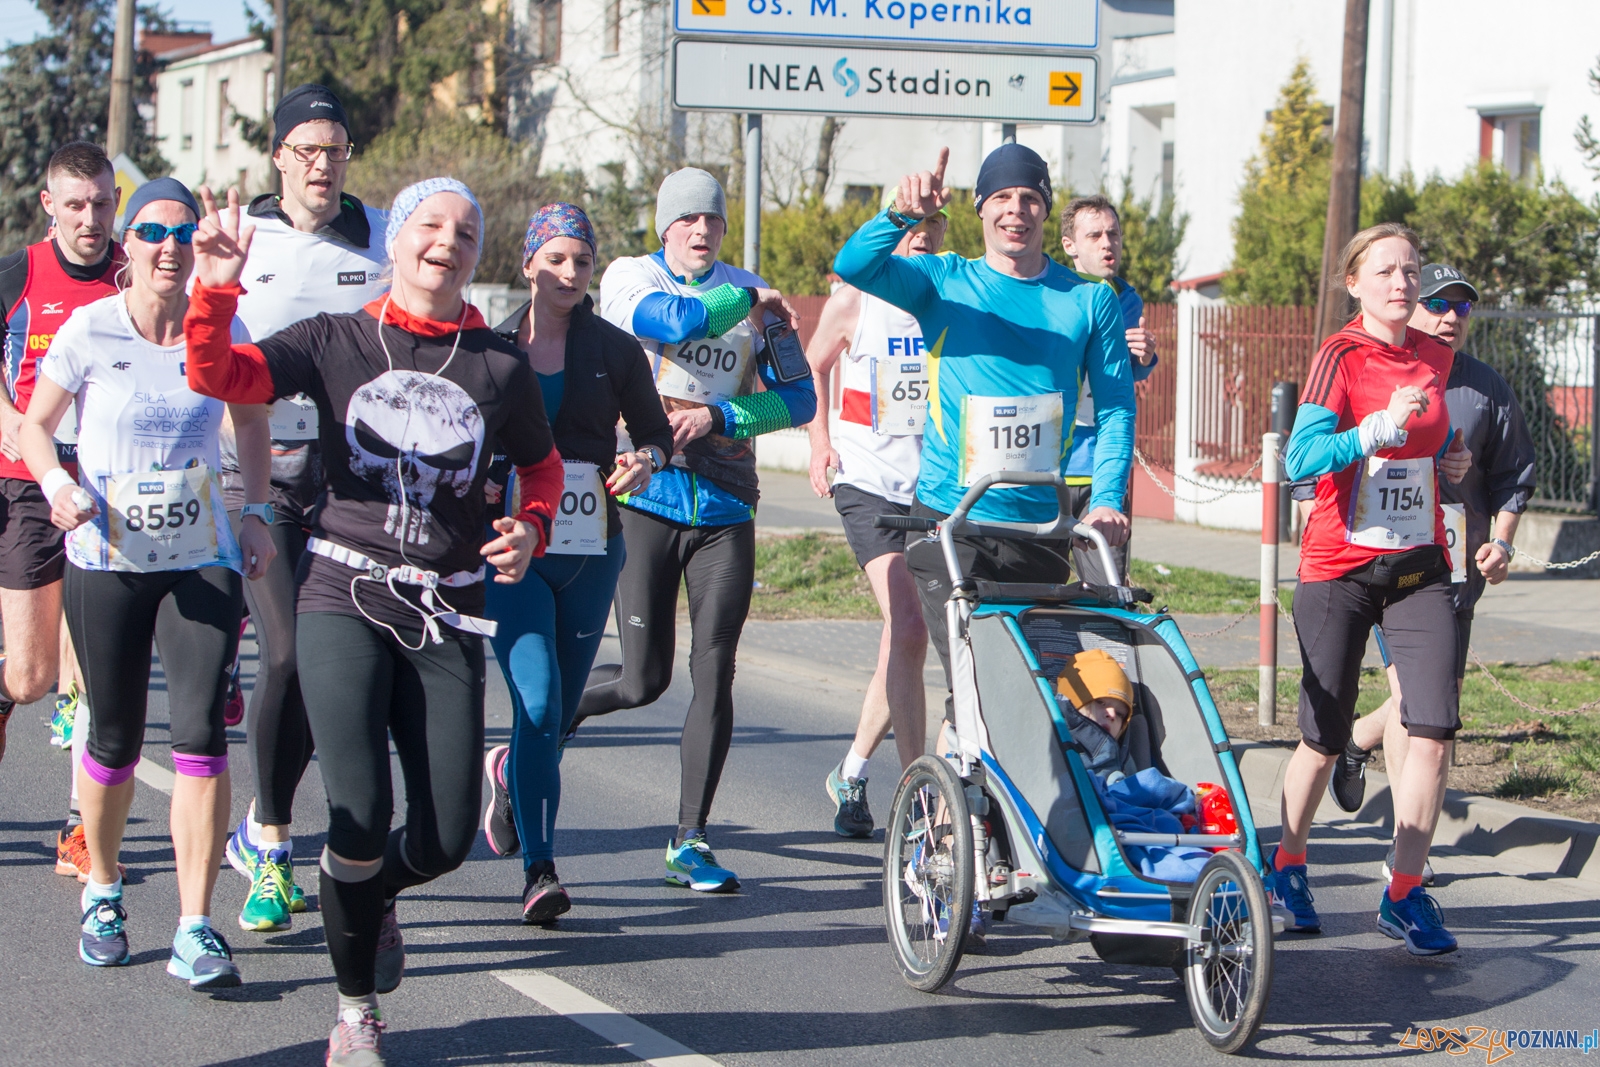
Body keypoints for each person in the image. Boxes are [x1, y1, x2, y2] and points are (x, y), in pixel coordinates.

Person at [184, 179, 562, 1065]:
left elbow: (541, 469)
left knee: (442, 836)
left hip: (449, 606)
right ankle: (356, 1011)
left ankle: (368, 890)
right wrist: (214, 291)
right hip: (343, 592)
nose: (448, 240)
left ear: (477, 253)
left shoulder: (499, 365)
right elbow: (218, 373)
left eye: (466, 230)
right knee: (358, 811)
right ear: (395, 241)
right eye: (430, 224)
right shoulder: (336, 337)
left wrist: (530, 529)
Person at [19, 177, 276, 987]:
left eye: (181, 232)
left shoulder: (220, 323)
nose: (168, 245)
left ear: (198, 242)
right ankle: (102, 888)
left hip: (200, 552)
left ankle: (196, 926)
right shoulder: (93, 328)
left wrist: (259, 510)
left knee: (200, 734)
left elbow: (254, 417)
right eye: (151, 231)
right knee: (115, 739)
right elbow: (34, 425)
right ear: (125, 246)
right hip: (108, 556)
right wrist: (58, 487)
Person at [833, 144, 1135, 728]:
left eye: (1029, 198)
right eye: (1001, 197)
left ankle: (994, 807)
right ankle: (956, 815)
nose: (1015, 210)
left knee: (1031, 689)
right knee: (976, 681)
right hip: (952, 521)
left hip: (1038, 529)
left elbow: (1118, 408)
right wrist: (899, 215)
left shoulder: (1089, 299)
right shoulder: (943, 281)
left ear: (1047, 211)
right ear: (980, 210)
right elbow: (854, 266)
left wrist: (1103, 500)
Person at [581, 167, 811, 893]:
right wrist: (743, 300)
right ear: (665, 228)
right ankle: (529, 744)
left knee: (716, 668)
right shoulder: (631, 278)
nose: (702, 230)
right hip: (646, 497)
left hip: (724, 508)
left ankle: (691, 837)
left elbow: (799, 399)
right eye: (687, 220)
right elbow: (673, 325)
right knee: (643, 678)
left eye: (712, 219)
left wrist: (719, 417)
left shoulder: (753, 289)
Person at [218, 83, 391, 935]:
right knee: (283, 653)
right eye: (308, 149)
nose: (325, 165)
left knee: (328, 670)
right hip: (260, 478)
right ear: (280, 155)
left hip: (353, 485)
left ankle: (269, 828)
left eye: (338, 149)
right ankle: (273, 840)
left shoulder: (383, 237)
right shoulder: (244, 239)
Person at [1277, 223, 1473, 956]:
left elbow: (1430, 446)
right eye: (1386, 270)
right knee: (1323, 737)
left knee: (1431, 727)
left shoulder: (1435, 355)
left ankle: (1404, 889)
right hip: (1339, 567)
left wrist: (1447, 458)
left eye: (1411, 270)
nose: (1402, 282)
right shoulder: (1340, 355)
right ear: (1354, 282)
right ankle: (1289, 860)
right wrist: (1370, 435)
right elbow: (1302, 455)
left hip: (1419, 562)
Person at [478, 203, 674, 922]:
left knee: (553, 711)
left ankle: (512, 777)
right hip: (514, 553)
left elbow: (657, 436)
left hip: (592, 551)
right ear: (529, 263)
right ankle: (540, 867)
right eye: (555, 258)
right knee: (536, 700)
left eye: (581, 261)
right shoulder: (492, 346)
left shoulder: (614, 348)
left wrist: (645, 461)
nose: (568, 272)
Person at [1322, 265, 1535, 877]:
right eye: (1438, 304)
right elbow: (1321, 454)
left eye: (1462, 309)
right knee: (1413, 700)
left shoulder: (1487, 388)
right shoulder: (1378, 368)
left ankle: (1358, 741)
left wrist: (1501, 542)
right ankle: (1405, 853)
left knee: (1437, 701)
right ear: (1411, 305)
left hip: (1456, 567)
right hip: (1389, 563)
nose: (1449, 317)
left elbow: (1513, 475)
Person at [0, 141, 126, 882]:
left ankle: (81, 829)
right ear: (49, 205)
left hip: (111, 490)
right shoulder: (20, 272)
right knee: (32, 676)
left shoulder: (131, 271)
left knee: (97, 675)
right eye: (75, 205)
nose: (90, 218)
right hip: (25, 485)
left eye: (102, 203)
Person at [804, 194, 945, 838]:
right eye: (910, 228)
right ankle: (920, 790)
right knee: (909, 626)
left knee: (902, 638)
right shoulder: (854, 300)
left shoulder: (943, 305)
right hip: (865, 484)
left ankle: (852, 772)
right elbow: (810, 367)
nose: (920, 237)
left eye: (931, 229)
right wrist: (820, 443)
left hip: (932, 492)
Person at [1057, 194, 1160, 583]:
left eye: (1113, 234)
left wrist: (1143, 357)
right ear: (1070, 246)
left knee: (1106, 593)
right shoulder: (1053, 292)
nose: (1107, 244)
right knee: (1033, 597)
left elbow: (1121, 379)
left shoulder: (1126, 299)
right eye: (1095, 235)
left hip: (1102, 466)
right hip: (1051, 468)